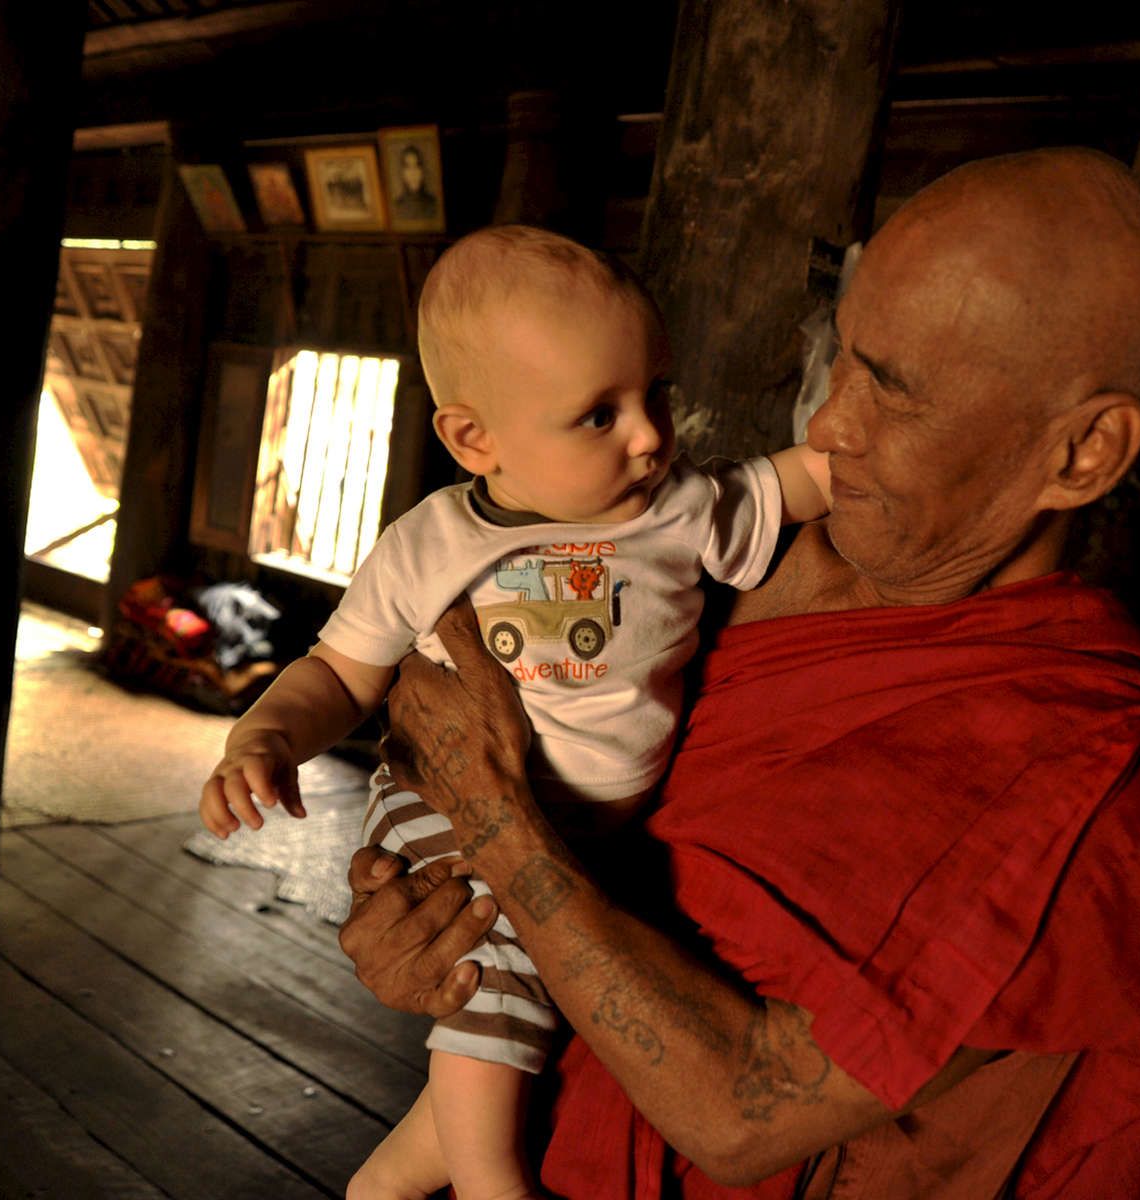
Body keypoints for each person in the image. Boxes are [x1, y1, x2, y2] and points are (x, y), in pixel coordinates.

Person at [338, 146, 1140, 1199]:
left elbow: (736, 1114)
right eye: (846, 358)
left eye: (894, 394)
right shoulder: (724, 562)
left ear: (1083, 454)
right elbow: (533, 813)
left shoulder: (1091, 792)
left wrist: (493, 817)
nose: (827, 425)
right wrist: (433, 926)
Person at [198, 224, 831, 1200]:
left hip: (592, 831)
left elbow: (797, 481)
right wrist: (269, 735)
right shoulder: (432, 544)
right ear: (472, 439)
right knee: (494, 967)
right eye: (599, 415)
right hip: (444, 805)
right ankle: (492, 1181)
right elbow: (341, 670)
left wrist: (862, 455)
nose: (651, 433)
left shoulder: (676, 506)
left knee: (538, 991)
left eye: (655, 393)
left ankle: (395, 1176)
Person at [392, 145, 440, 224]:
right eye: (408, 167)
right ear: (402, 173)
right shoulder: (397, 206)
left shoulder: (433, 203)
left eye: (416, 166)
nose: (413, 173)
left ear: (422, 171)